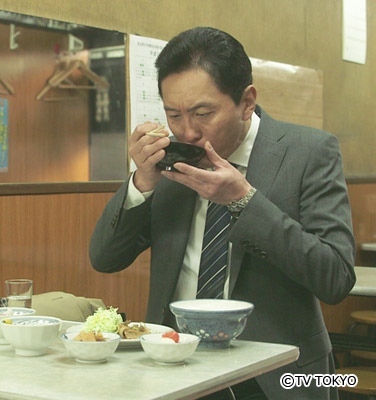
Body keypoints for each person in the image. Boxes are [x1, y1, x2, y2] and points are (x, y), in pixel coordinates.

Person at [89, 27, 355, 400]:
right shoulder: (172, 159)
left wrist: (244, 201)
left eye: (203, 113)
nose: (188, 131)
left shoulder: (309, 152)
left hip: (275, 374)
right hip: (174, 365)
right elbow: (104, 258)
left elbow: (336, 277)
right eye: (173, 114)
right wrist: (142, 182)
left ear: (246, 101)